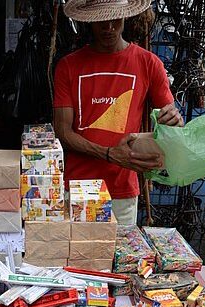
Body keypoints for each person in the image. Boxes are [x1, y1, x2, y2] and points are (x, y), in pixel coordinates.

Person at [54, 0, 184, 225]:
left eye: (115, 19)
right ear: (90, 21)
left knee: (121, 257)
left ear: (125, 16)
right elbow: (63, 132)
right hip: (77, 185)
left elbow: (170, 119)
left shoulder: (148, 63)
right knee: (77, 257)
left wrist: (174, 120)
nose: (109, 27)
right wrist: (108, 153)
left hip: (122, 188)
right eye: (101, 21)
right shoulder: (68, 66)